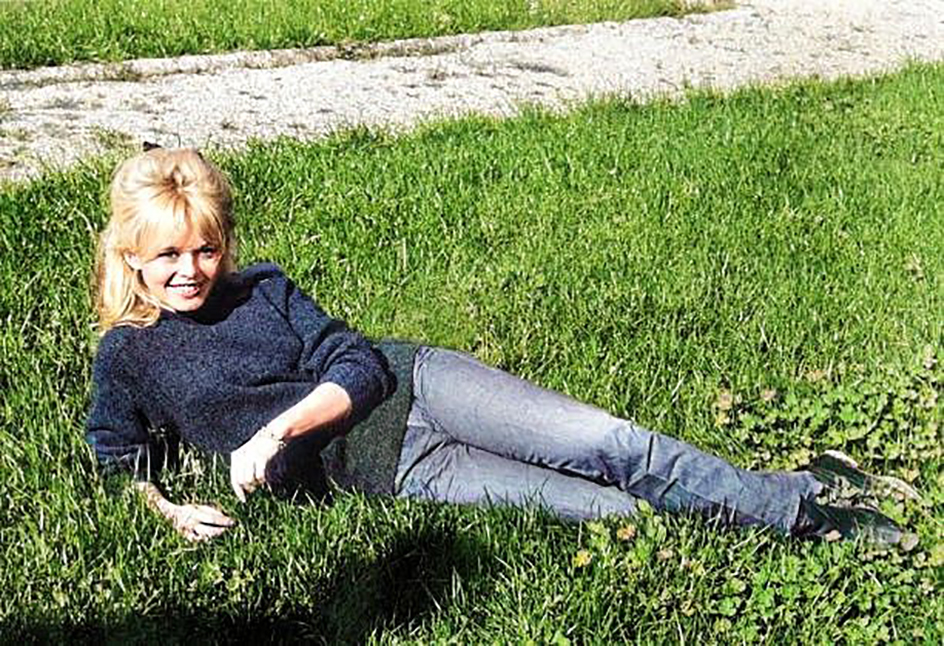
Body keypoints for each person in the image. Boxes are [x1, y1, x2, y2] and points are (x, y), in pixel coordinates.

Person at [85, 147, 919, 545]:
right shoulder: (129, 357)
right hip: (395, 469)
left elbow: (357, 363)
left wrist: (275, 433)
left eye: (206, 249)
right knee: (611, 512)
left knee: (606, 442)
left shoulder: (262, 288)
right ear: (131, 257)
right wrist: (169, 509)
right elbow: (118, 459)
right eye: (168, 255)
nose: (191, 270)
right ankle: (795, 487)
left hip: (419, 387)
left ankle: (802, 516)